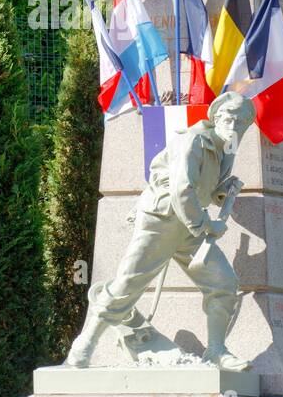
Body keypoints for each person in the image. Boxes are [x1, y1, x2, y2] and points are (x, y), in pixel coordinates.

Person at [65, 90, 256, 369]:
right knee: (128, 285)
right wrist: (206, 225)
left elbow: (202, 188)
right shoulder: (191, 141)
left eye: (241, 122)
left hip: (189, 226)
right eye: (229, 117)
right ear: (216, 116)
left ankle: (216, 350)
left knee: (223, 283)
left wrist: (221, 192)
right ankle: (84, 345)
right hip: (162, 219)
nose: (234, 125)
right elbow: (181, 190)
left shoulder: (224, 151)